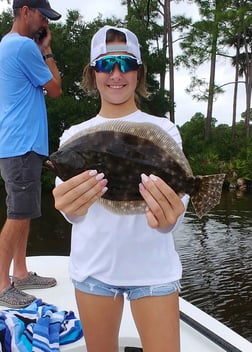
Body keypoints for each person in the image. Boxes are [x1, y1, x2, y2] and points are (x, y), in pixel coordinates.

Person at [52, 25, 189, 352]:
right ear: (92, 72)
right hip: (93, 271)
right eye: (106, 64)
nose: (116, 73)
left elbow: (176, 208)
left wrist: (168, 219)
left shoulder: (164, 129)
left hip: (154, 272)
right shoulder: (73, 135)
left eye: (126, 64)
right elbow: (74, 212)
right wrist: (70, 209)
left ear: (138, 73)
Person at [0, 0, 62, 309]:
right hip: (21, 145)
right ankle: (1, 285)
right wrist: (47, 49)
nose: (44, 24)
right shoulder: (24, 47)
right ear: (26, 11)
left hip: (19, 145)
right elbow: (55, 88)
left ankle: (20, 273)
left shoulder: (7, 45)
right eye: (42, 17)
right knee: (17, 215)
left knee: (23, 214)